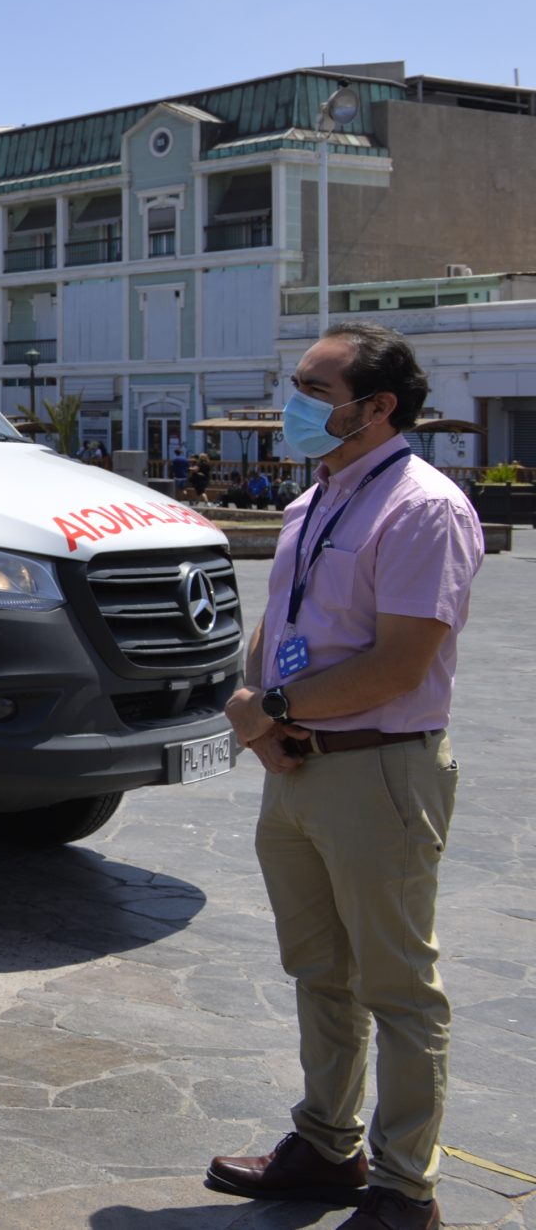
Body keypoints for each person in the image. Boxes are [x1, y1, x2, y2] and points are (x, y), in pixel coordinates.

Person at [207, 325, 484, 1230]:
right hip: (299, 766)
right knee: (319, 970)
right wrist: (259, 712)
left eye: (313, 389)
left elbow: (398, 665)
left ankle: (406, 1188)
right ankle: (328, 1144)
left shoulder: (422, 507)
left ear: (377, 407)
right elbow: (282, 621)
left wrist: (270, 707)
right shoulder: (313, 498)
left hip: (379, 770)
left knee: (398, 988)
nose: (292, 403)